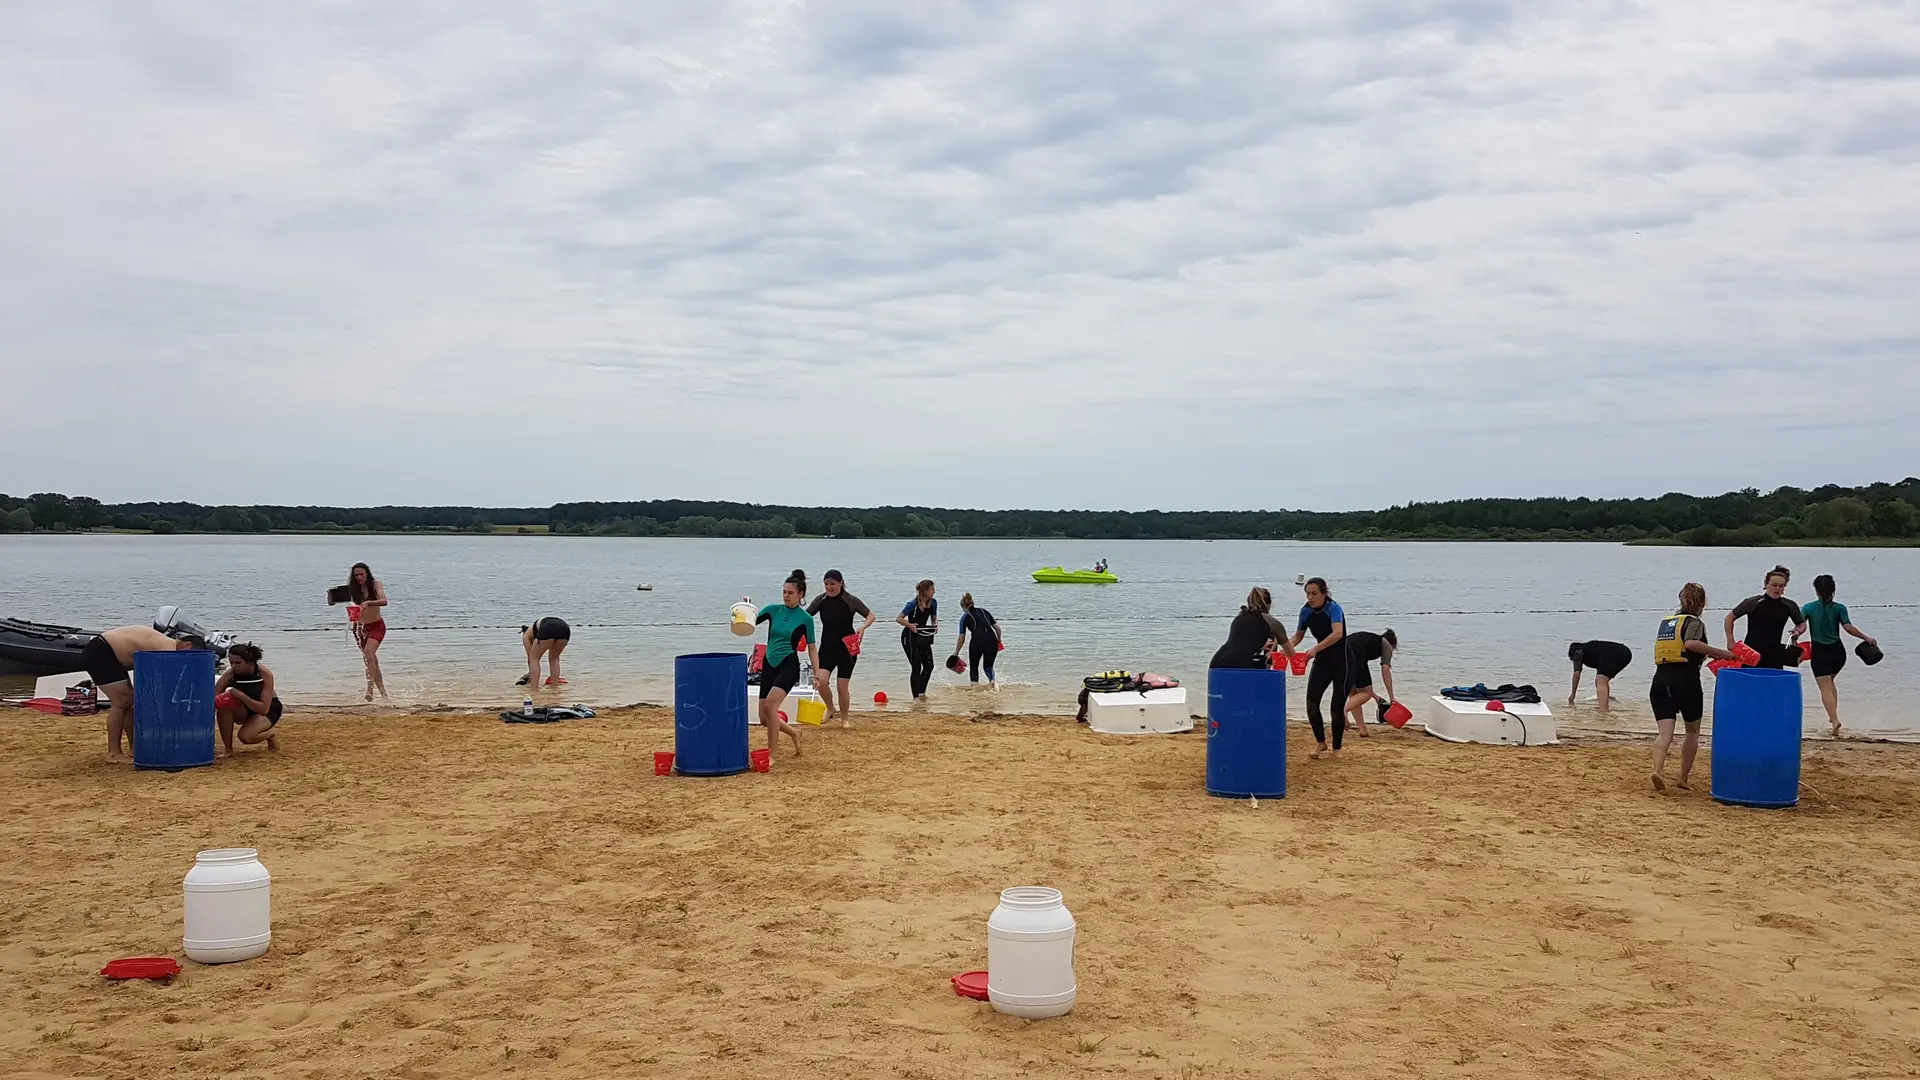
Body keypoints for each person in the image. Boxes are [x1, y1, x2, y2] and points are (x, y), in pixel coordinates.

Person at [1650, 583, 1737, 792]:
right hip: (1685, 680)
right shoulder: (1694, 622)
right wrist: (1721, 653)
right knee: (1692, 731)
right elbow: (1690, 644)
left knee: (1664, 733)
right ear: (1702, 603)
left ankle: (1658, 771)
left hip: (1660, 680)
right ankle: (1682, 778)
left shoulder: (1668, 623)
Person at [78, 625, 210, 763]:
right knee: (120, 702)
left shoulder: (163, 644)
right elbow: (164, 682)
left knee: (129, 700)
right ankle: (113, 753)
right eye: (190, 655)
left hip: (110, 654)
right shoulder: (166, 648)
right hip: (102, 652)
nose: (187, 660)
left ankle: (135, 748)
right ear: (186, 645)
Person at [1802, 574, 1878, 738]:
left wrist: (1795, 636)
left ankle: (1835, 720)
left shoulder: (1808, 608)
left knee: (1824, 687)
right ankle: (1832, 716)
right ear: (1833, 590)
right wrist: (1866, 638)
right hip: (1838, 652)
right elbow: (1848, 628)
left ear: (1816, 590)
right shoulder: (1840, 608)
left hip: (1820, 652)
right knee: (1829, 683)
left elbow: (1801, 625)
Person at [1285, 577, 1349, 758]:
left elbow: (1338, 634)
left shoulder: (1333, 608)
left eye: (1314, 594)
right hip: (1322, 661)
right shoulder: (1305, 612)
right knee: (1312, 703)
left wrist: (1314, 649)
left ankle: (1337, 748)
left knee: (1336, 708)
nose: (1310, 597)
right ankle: (1321, 743)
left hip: (1342, 661)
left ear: (1324, 593)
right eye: (1307, 593)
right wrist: (1283, 652)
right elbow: (1297, 637)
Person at [755, 570, 816, 756]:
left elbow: (812, 647)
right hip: (769, 664)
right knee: (764, 718)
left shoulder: (806, 619)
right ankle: (794, 733)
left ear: (800, 594)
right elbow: (748, 623)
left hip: (788, 665)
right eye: (784, 592)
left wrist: (817, 673)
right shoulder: (773, 610)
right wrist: (744, 608)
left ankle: (771, 754)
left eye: (790, 593)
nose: (786, 596)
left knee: (771, 706)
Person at [808, 570, 874, 727]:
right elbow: (805, 616)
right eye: (826, 584)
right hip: (827, 648)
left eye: (832, 584)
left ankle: (845, 718)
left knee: (842, 686)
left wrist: (863, 627)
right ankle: (830, 708)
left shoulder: (849, 600)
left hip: (847, 648)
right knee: (821, 682)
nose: (829, 587)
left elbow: (871, 615)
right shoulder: (821, 600)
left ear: (841, 583)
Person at [1724, 566, 1806, 669]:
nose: (1777, 589)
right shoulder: (1753, 602)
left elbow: (1801, 623)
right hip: (1751, 654)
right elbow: (1729, 618)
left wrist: (1797, 632)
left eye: (1781, 586)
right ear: (1766, 585)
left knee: (1773, 684)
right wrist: (1730, 640)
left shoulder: (1789, 605)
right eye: (1774, 585)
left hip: (1775, 655)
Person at [216, 642, 282, 756]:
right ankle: (228, 750)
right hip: (244, 708)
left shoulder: (264, 674)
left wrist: (241, 696)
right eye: (231, 663)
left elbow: (263, 709)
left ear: (250, 662)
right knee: (222, 708)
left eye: (238, 663)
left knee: (246, 737)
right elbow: (213, 697)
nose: (234, 666)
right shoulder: (230, 674)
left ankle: (270, 735)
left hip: (267, 709)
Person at [1208, 587, 1295, 669]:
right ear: (1268, 604)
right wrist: (1273, 654)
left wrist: (1261, 646)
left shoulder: (1239, 618)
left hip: (1217, 664)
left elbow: (1240, 645)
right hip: (1242, 666)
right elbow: (1291, 653)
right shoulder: (1272, 622)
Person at [343, 562, 390, 701]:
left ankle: (369, 689)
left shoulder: (375, 585)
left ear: (367, 574)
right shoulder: (352, 589)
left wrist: (370, 602)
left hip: (376, 626)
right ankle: (384, 695)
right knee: (370, 660)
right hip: (359, 628)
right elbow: (335, 601)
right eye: (356, 575)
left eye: (361, 574)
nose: (359, 577)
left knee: (369, 653)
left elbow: (384, 601)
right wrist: (331, 598)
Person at [1343, 628, 1398, 735]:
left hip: (1341, 652)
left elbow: (1363, 688)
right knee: (1366, 694)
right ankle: (1343, 711)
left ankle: (1362, 729)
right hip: (1356, 653)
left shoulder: (1371, 640)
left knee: (1354, 694)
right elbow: (1385, 671)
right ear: (1393, 644)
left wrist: (1376, 697)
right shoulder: (1386, 645)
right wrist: (1392, 697)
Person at [897, 579, 938, 701]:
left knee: (929, 665)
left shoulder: (934, 603)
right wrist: (910, 625)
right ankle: (915, 698)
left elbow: (934, 617)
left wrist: (935, 625)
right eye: (932, 589)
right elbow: (899, 618)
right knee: (916, 666)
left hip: (923, 635)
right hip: (909, 636)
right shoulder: (913, 604)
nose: (934, 591)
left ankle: (921, 693)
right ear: (925, 591)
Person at [952, 594, 1005, 685]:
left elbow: (961, 637)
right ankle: (992, 681)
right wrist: (999, 640)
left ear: (963, 607)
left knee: (974, 666)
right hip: (992, 641)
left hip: (977, 643)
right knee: (988, 666)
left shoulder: (964, 617)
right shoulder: (984, 611)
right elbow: (998, 628)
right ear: (973, 603)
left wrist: (956, 653)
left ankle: (975, 687)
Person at [1567, 640, 1634, 711]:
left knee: (1601, 680)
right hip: (1626, 653)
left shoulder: (1577, 652)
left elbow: (1576, 675)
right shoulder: (1591, 649)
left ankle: (1603, 711)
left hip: (1616, 653)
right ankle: (1604, 702)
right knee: (1601, 680)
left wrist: (1573, 695)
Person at [518, 618, 570, 687]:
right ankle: (554, 687)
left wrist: (530, 674)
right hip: (564, 629)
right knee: (554, 659)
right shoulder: (537, 627)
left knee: (534, 659)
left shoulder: (526, 635)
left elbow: (530, 659)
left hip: (548, 628)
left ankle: (534, 689)